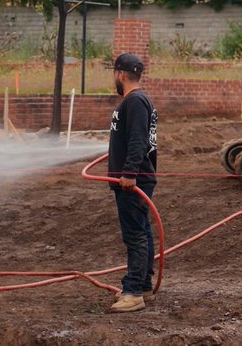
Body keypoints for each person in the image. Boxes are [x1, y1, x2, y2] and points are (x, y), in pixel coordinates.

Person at [107, 53, 159, 313]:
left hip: (132, 181)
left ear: (120, 74)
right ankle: (143, 285)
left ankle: (134, 292)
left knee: (135, 235)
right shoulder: (137, 101)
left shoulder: (135, 102)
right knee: (142, 232)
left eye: (114, 73)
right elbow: (132, 139)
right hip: (136, 179)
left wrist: (128, 172)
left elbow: (139, 141)